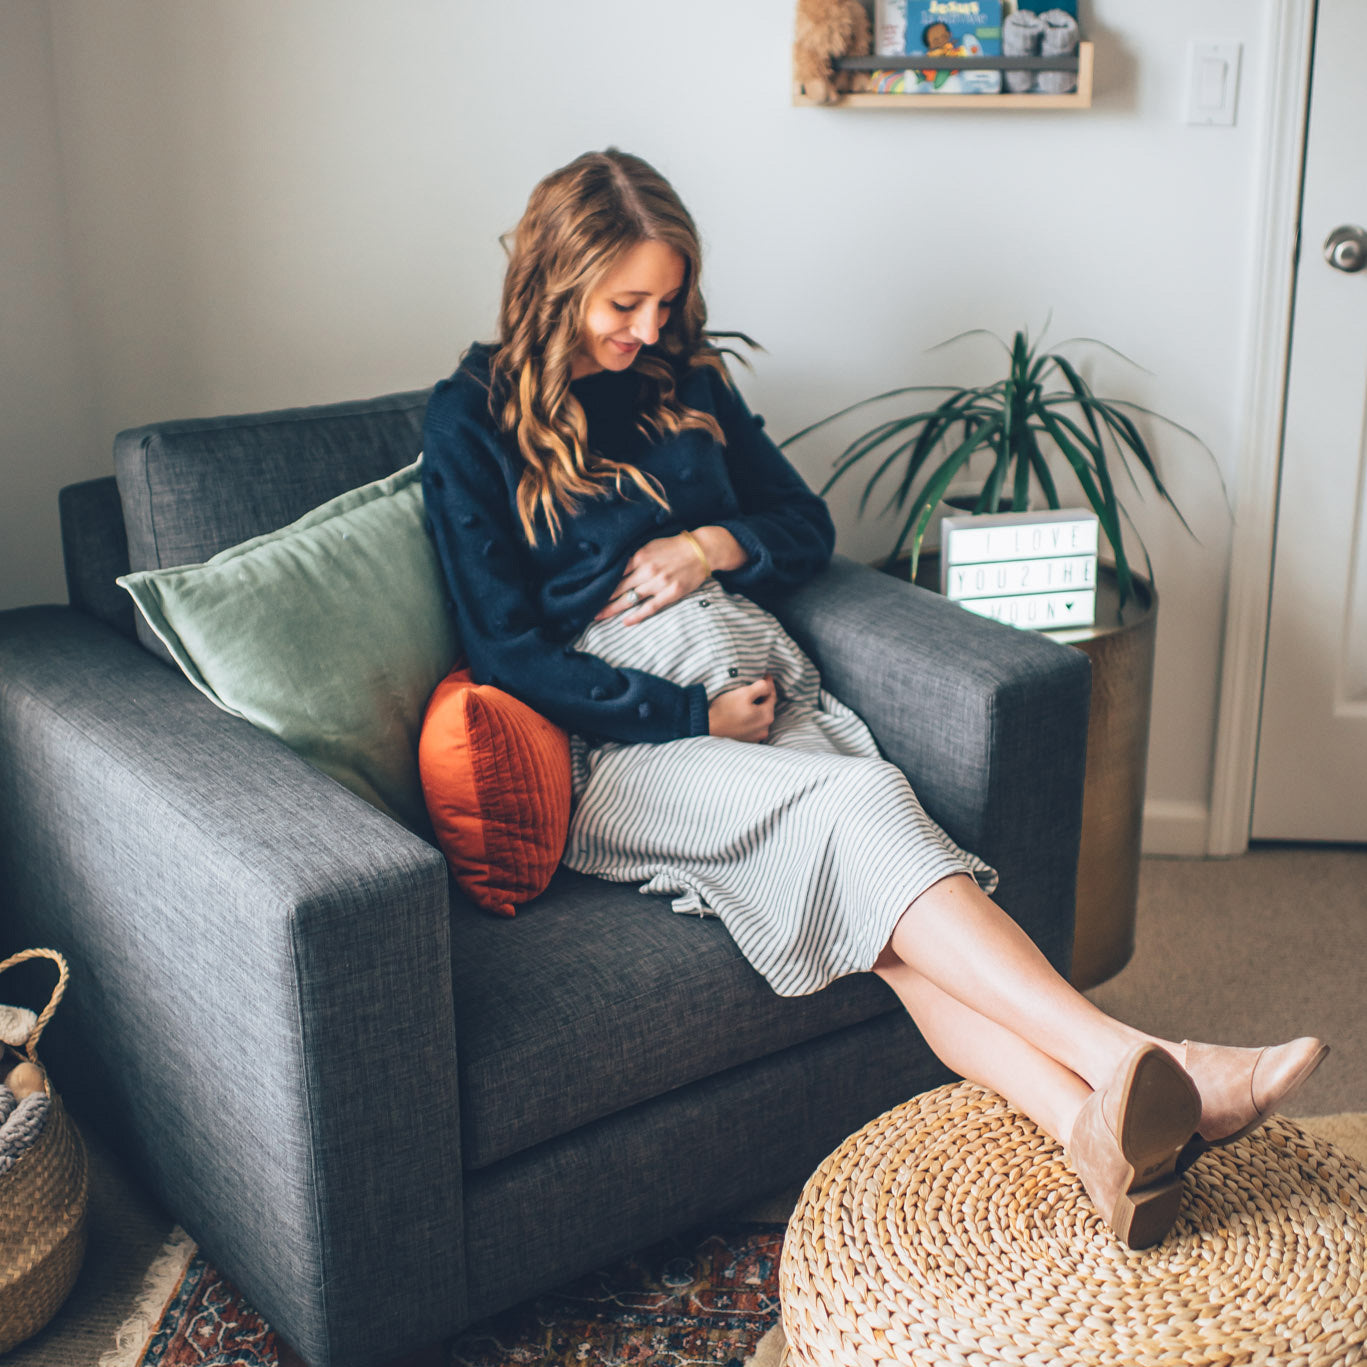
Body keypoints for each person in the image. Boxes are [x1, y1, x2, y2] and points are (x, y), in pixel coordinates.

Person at [420, 147, 1327, 1249]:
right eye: (625, 304)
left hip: (766, 690)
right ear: (554, 278)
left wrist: (710, 545)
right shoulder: (470, 418)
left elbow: (802, 524)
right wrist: (693, 717)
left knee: (888, 923)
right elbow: (504, 650)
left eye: (666, 301)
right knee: (865, 805)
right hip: (623, 743)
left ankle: (1085, 1130)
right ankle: (1145, 1058)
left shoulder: (685, 381)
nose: (650, 329)